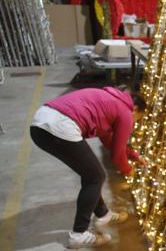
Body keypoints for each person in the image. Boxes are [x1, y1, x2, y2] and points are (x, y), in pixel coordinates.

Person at [30, 86, 147, 249]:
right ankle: (79, 234)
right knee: (96, 176)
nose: (134, 123)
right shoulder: (126, 113)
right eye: (138, 119)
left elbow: (110, 142)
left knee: (91, 174)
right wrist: (128, 170)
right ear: (135, 109)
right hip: (59, 126)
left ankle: (103, 214)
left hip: (40, 124)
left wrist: (134, 155)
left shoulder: (111, 101)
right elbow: (117, 156)